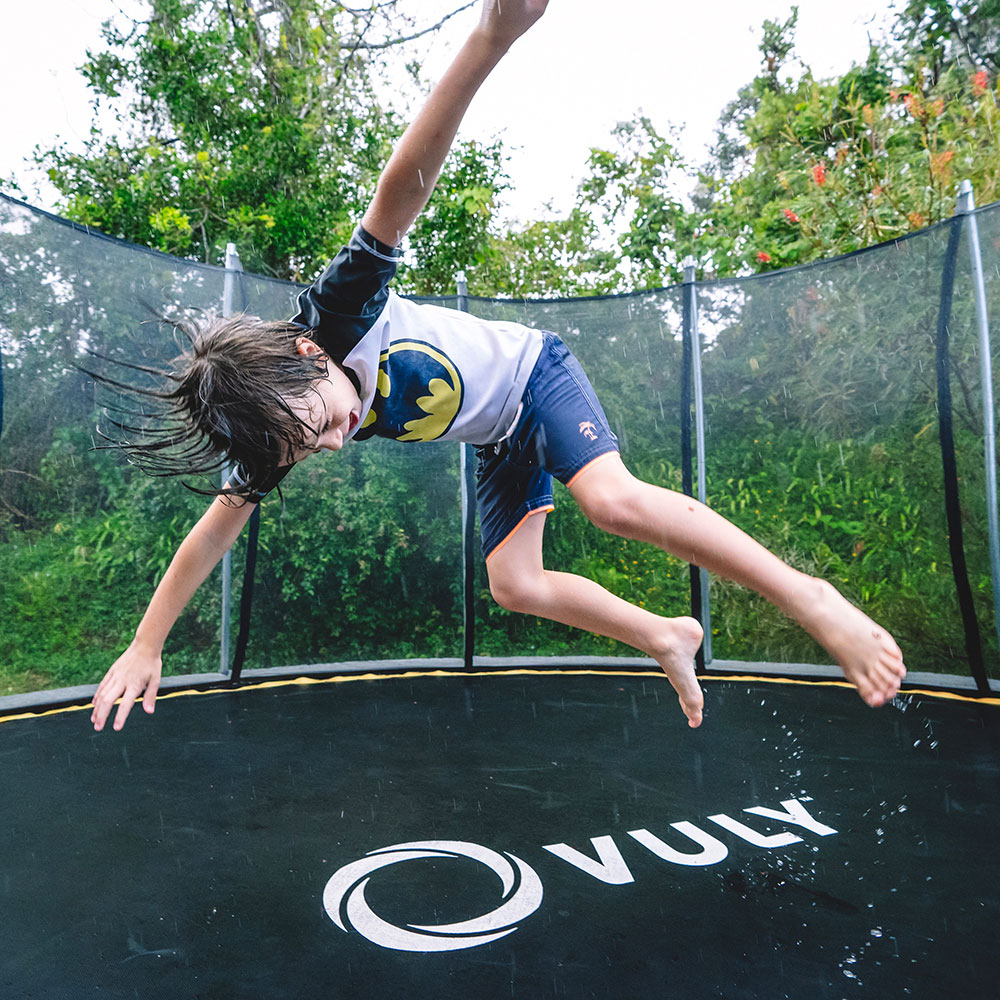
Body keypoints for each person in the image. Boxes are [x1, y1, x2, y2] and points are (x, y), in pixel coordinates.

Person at [90, 0, 906, 734]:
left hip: (533, 374)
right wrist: (144, 643)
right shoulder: (275, 423)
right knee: (515, 584)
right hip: (496, 436)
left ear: (309, 356)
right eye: (308, 450)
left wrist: (491, 36)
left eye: (321, 425)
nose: (332, 445)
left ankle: (808, 596)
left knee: (613, 503)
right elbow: (208, 538)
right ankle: (665, 633)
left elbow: (400, 188)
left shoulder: (337, 312)